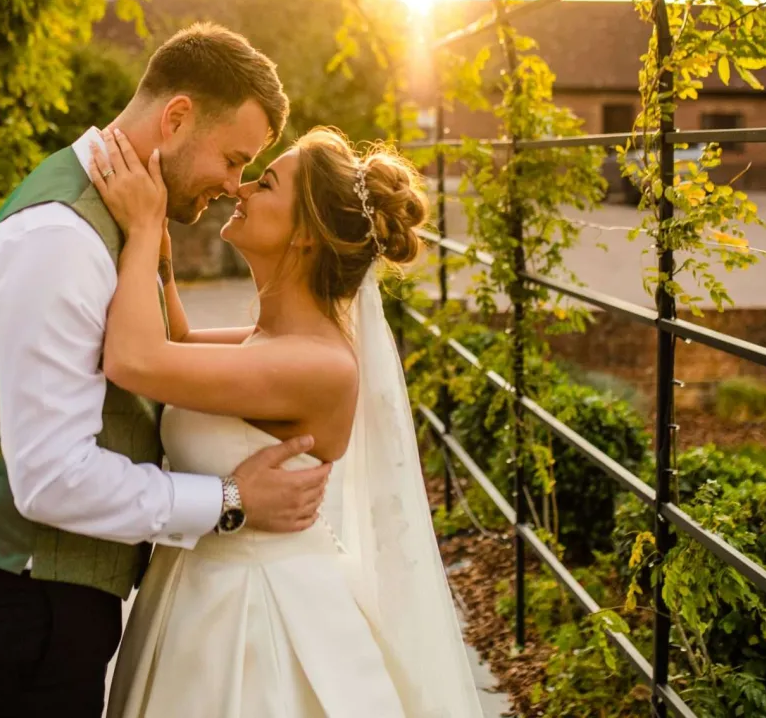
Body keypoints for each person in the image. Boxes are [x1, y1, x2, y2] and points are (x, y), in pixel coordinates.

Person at [0, 24, 333, 718]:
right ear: (176, 118)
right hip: (16, 609)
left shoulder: (121, 226)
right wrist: (228, 501)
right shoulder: (60, 241)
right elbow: (50, 478)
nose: (234, 186)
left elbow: (172, 362)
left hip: (48, 607)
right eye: (233, 159)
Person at [90, 124, 485, 718]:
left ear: (304, 236)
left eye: (266, 181)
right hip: (196, 595)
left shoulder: (317, 364)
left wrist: (145, 229)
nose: (243, 188)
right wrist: (162, 259)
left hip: (254, 621)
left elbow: (135, 360)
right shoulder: (273, 341)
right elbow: (180, 344)